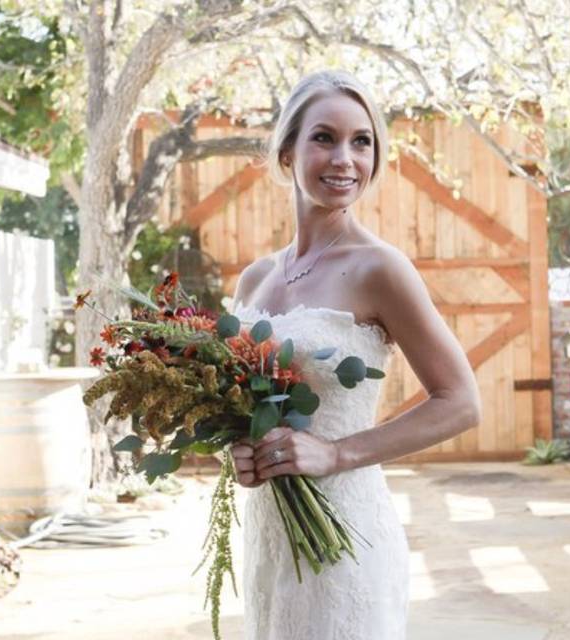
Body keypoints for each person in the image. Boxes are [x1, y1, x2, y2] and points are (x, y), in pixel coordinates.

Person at [229, 70, 481, 639]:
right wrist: (244, 454)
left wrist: (338, 455)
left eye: (361, 141)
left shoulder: (380, 269)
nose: (345, 158)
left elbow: (461, 402)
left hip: (346, 537)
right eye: (325, 137)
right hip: (271, 537)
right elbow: (246, 411)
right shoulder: (254, 281)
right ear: (287, 150)